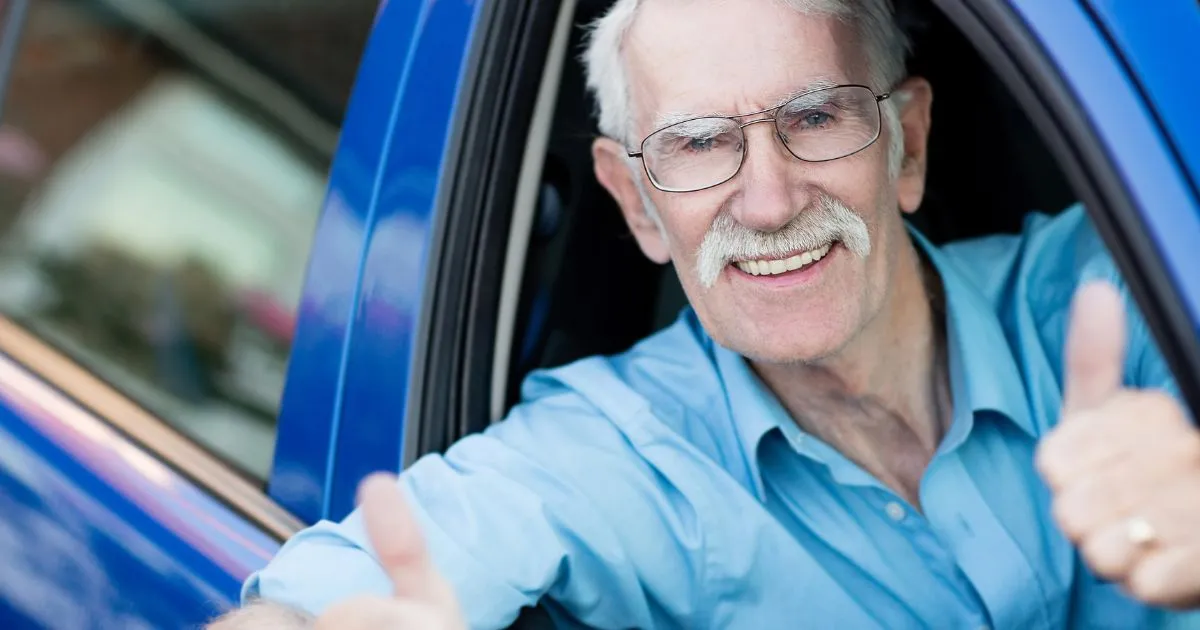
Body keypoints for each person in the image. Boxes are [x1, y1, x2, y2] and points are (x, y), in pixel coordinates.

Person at [210, 0, 1200, 628]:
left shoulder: (1124, 285)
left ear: (908, 144)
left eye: (815, 116)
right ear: (637, 204)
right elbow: (314, 605)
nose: (767, 201)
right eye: (696, 144)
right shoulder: (612, 458)